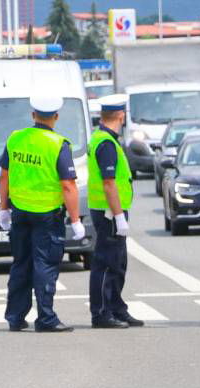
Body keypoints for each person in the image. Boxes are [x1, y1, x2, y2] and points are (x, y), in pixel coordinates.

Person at [0, 95, 85, 333]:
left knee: (21, 263)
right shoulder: (59, 144)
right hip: (47, 215)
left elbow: (4, 176)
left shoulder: (16, 139)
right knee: (44, 265)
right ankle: (46, 318)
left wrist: (3, 208)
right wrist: (76, 220)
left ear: (33, 114)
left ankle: (15, 316)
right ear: (56, 116)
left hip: (20, 212)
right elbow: (68, 186)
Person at [87, 94, 143, 329]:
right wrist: (119, 215)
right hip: (109, 212)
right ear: (121, 116)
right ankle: (101, 313)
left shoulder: (103, 138)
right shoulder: (106, 143)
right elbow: (109, 183)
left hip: (110, 210)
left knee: (118, 262)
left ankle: (117, 308)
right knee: (106, 262)